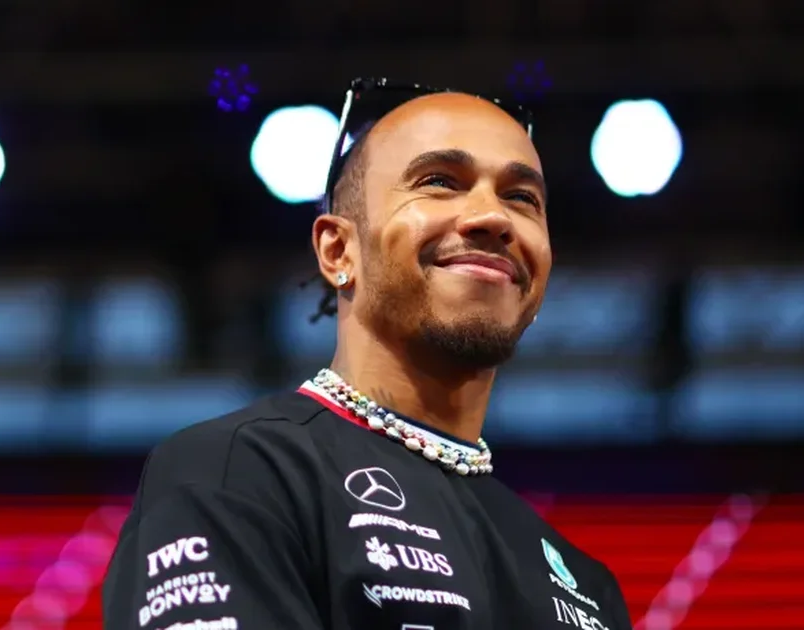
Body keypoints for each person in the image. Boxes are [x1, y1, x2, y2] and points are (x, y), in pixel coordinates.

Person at [102, 78, 634, 630]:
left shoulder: (586, 588)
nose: (493, 217)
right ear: (338, 250)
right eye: (439, 182)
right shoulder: (235, 471)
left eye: (522, 198)